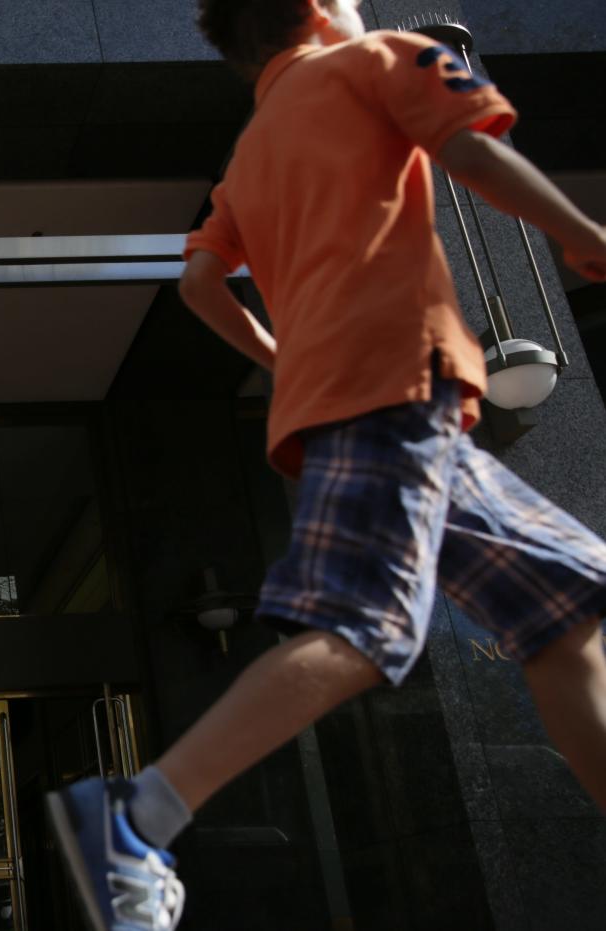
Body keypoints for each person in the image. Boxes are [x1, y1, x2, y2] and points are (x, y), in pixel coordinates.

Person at [45, 1, 606, 928]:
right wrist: (581, 233)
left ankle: (138, 815)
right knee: (365, 621)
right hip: (398, 382)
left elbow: (197, 285)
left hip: (356, 397)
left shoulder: (252, 153)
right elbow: (469, 151)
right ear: (316, 6)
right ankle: (136, 813)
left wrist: (283, 360)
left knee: (570, 604)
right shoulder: (386, 57)